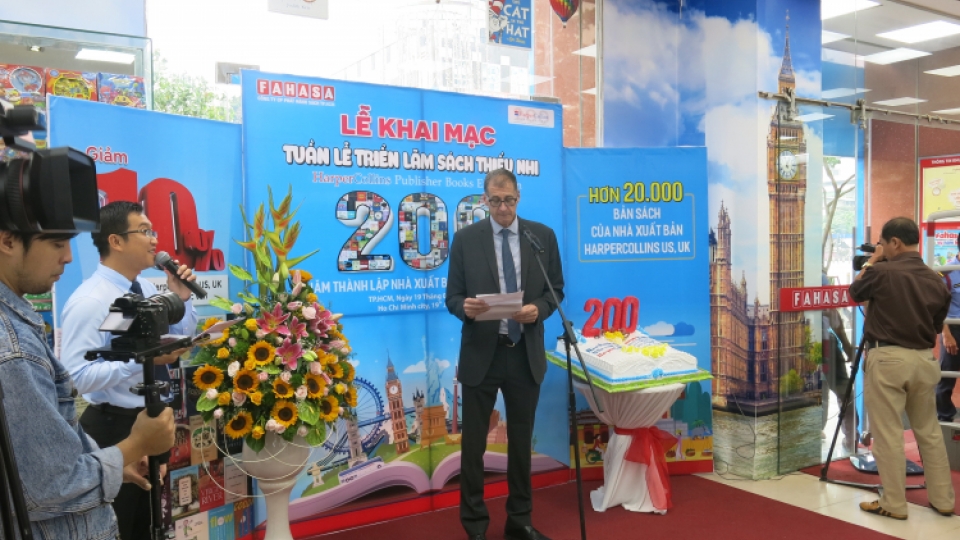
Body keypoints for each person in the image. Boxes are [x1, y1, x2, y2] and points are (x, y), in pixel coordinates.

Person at [0, 227, 175, 539]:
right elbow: (47, 486)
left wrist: (116, 462)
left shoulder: (146, 288)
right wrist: (134, 446)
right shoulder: (19, 345)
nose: (68, 256)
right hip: (113, 425)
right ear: (8, 241)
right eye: (57, 244)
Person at [59, 201, 198, 540]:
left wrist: (183, 298)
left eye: (154, 231)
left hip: (152, 420)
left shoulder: (146, 290)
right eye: (145, 231)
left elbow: (177, 338)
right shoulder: (91, 300)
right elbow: (77, 376)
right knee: (119, 527)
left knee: (149, 526)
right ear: (116, 241)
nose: (154, 240)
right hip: (115, 429)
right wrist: (144, 360)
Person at [446, 169, 563, 540]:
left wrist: (538, 310)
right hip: (482, 354)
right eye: (495, 201)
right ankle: (475, 527)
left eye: (508, 200)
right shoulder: (465, 240)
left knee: (521, 444)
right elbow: (452, 297)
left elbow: (555, 290)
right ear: (484, 200)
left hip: (524, 353)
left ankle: (520, 521)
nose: (502, 208)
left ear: (518, 197)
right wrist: (464, 308)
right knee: (473, 447)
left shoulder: (541, 237)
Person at [849, 217, 955, 519]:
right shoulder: (936, 279)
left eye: (883, 244)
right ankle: (944, 500)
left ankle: (893, 503)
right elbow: (936, 325)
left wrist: (872, 261)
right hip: (923, 359)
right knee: (929, 432)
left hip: (888, 360)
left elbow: (855, 292)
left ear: (894, 242)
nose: (881, 249)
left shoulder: (881, 272)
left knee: (888, 434)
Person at [936, 237, 960, 423]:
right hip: (953, 329)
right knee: (946, 377)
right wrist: (946, 334)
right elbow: (937, 306)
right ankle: (945, 417)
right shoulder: (947, 272)